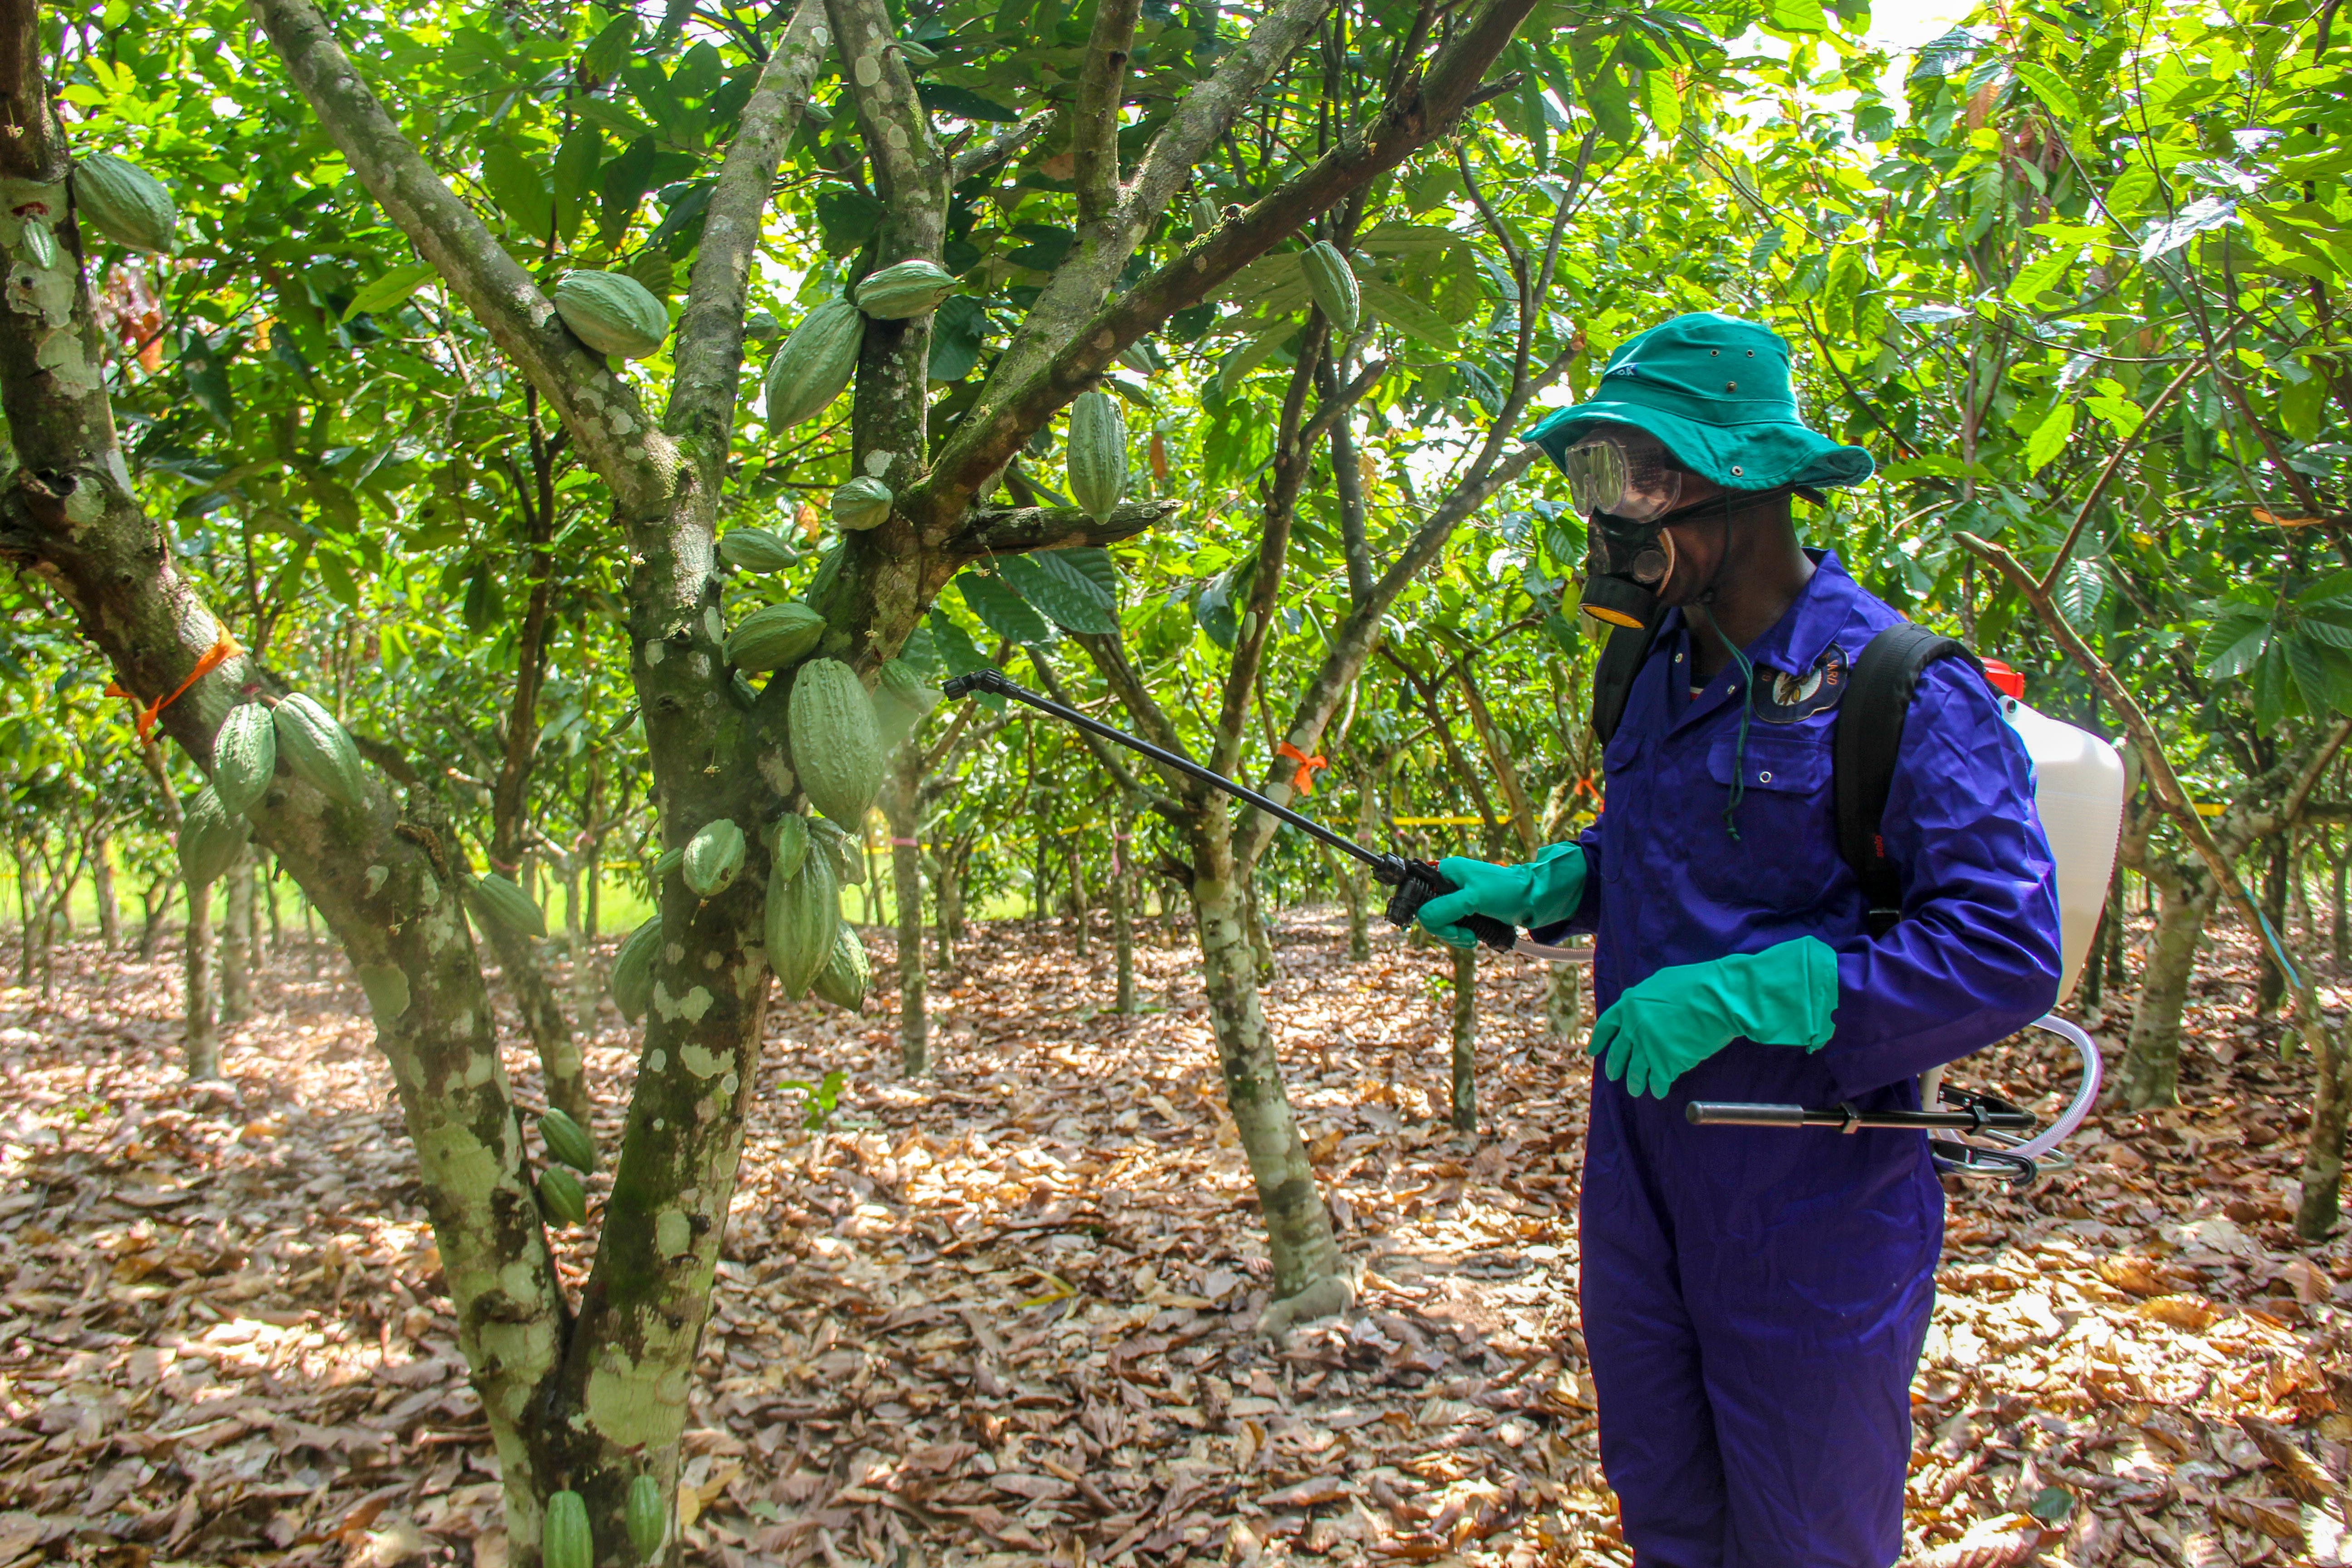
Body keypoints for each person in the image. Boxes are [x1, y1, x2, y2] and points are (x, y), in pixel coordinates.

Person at [1416, 313, 2063, 1568]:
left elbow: (2006, 946)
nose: (1614, 513)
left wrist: (1766, 992)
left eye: (1645, 477)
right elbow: (1668, 855)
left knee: (1807, 1531)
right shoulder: (1653, 666)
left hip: (1808, 1187)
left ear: (1754, 482)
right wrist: (1556, 882)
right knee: (1665, 1502)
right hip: (1644, 1165)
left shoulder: (1898, 685)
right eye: (1594, 476)